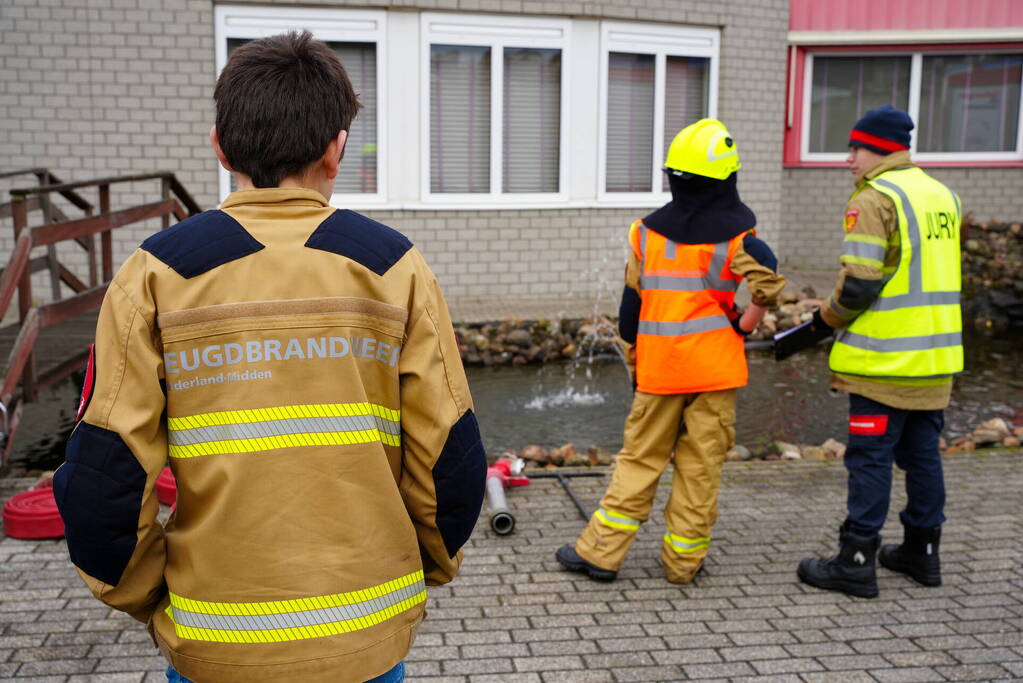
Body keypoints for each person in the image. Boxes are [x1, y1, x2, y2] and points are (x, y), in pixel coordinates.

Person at [53, 31, 486, 682]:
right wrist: (414, 566)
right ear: (337, 149)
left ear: (220, 146)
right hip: (367, 639)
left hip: (216, 641)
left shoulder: (156, 275)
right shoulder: (394, 268)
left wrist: (151, 593)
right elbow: (450, 459)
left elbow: (103, 480)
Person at [555, 119, 786, 584]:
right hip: (716, 372)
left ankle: (602, 555)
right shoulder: (739, 238)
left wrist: (635, 359)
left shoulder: (645, 234)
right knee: (700, 469)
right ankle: (683, 563)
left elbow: (629, 312)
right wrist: (746, 321)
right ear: (727, 179)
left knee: (639, 461)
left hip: (660, 373)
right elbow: (769, 275)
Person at [797, 105, 963, 599]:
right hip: (935, 359)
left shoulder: (875, 198)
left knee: (869, 460)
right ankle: (922, 553)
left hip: (883, 362)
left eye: (856, 149)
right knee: (923, 458)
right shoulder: (942, 195)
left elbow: (860, 285)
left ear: (884, 149)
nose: (848, 159)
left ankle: (854, 562)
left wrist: (822, 321)